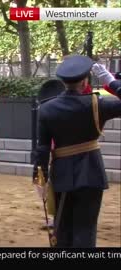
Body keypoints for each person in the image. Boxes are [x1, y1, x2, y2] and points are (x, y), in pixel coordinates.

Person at [33, 55, 121, 247]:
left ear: (63, 81)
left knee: (62, 227)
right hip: (91, 172)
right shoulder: (97, 104)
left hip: (62, 172)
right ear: (85, 81)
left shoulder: (47, 108)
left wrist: (40, 176)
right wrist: (111, 82)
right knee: (86, 228)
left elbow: (43, 147)